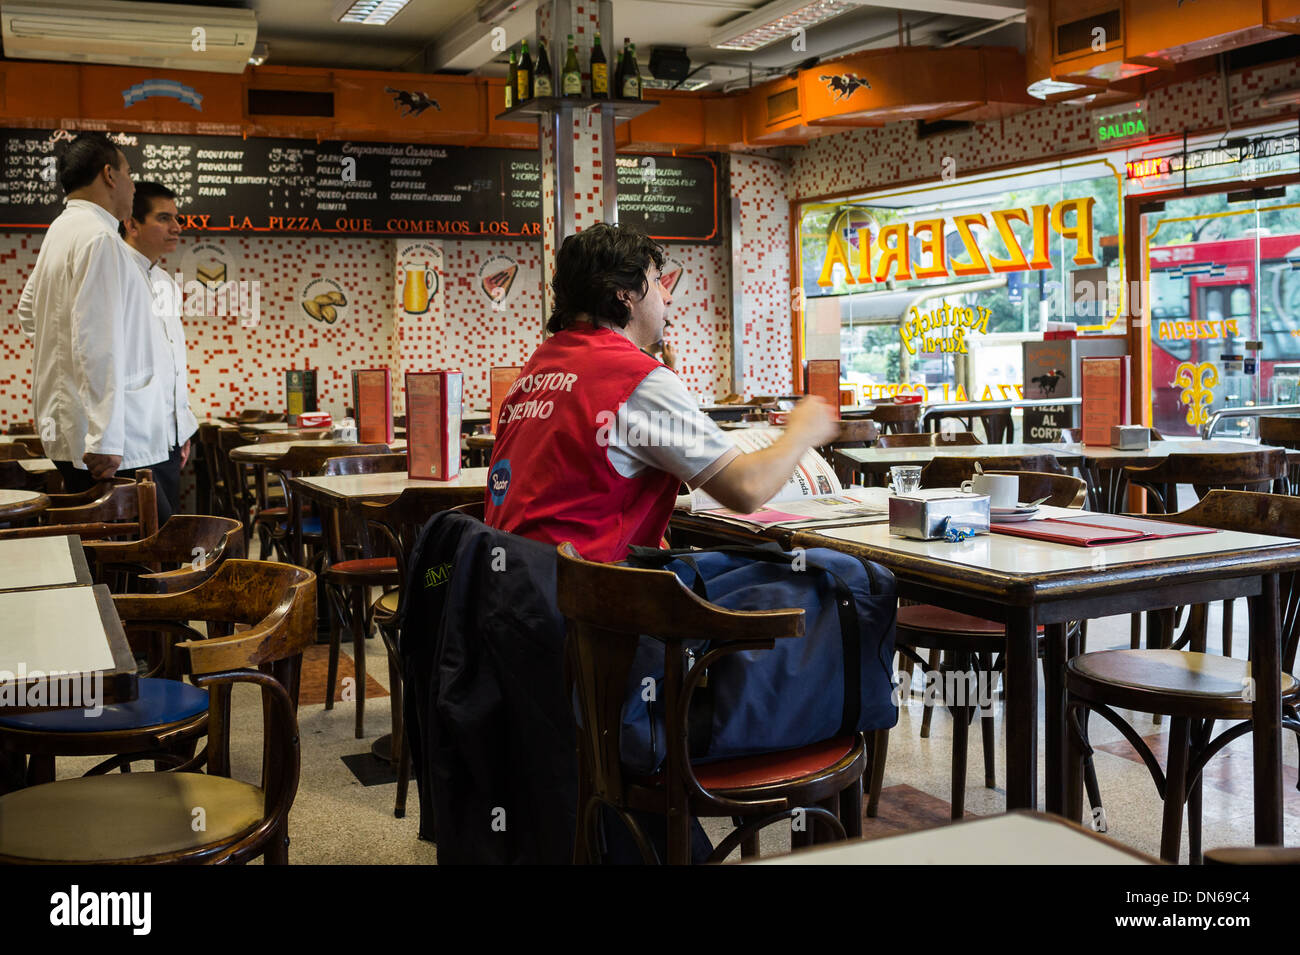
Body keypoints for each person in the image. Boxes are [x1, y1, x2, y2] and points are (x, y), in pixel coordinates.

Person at [486, 221, 839, 563]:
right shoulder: (635, 377)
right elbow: (746, 490)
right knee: (838, 574)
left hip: (518, 588)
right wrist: (801, 431)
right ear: (624, 295)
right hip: (588, 605)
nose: (668, 295)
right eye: (657, 281)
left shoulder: (540, 364)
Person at [18, 133, 178, 522]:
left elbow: (28, 313)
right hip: (112, 444)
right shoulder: (101, 238)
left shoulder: (60, 230)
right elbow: (98, 340)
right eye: (128, 174)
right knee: (154, 552)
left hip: (71, 427)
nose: (132, 185)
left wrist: (64, 364)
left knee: (107, 549)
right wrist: (104, 437)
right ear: (109, 175)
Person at [118, 182, 199, 520]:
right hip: (129, 442)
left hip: (165, 440)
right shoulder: (115, 272)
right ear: (131, 223)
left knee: (165, 547)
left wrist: (180, 427)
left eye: (177, 218)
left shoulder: (163, 280)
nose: (176, 227)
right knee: (144, 544)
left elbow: (170, 361)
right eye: (164, 218)